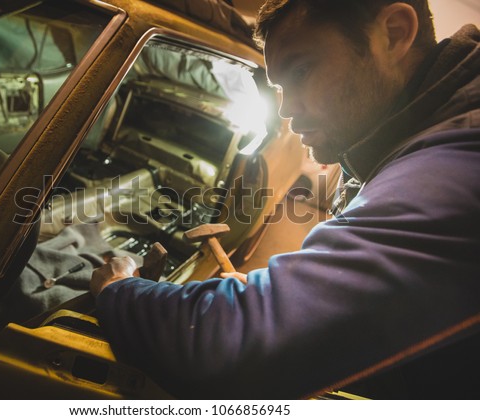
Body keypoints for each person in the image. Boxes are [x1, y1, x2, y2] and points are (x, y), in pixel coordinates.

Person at [90, 0, 480, 399]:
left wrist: (119, 290)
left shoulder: (458, 165)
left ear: (394, 33)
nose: (288, 110)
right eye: (279, 87)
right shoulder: (422, 137)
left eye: (302, 70)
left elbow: (228, 350)